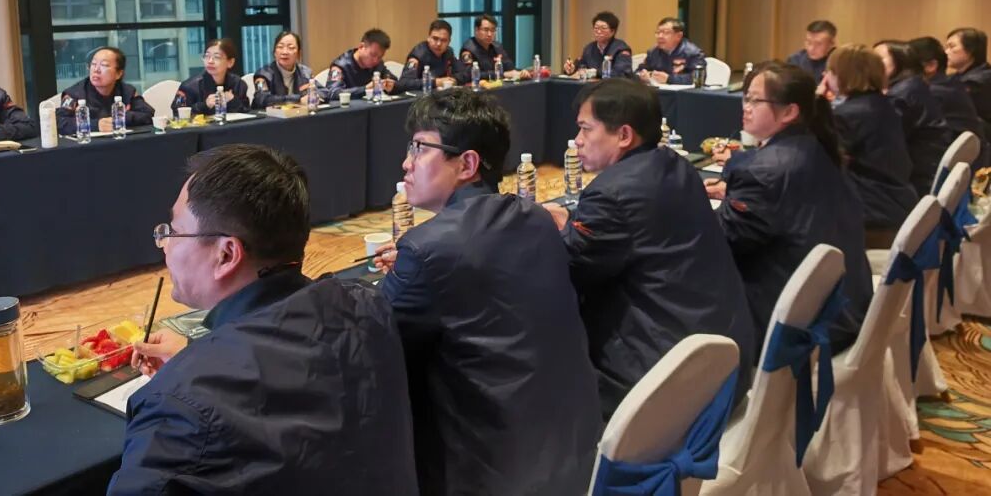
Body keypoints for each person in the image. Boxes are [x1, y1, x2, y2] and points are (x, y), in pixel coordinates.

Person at [109, 145, 418, 495]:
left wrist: (195, 371)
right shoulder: (366, 306)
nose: (165, 245)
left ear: (227, 254)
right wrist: (199, 357)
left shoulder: (178, 405)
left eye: (173, 231)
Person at [374, 89, 600, 496]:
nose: (406, 163)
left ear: (468, 164)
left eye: (420, 148)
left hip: (490, 469)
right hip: (572, 453)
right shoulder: (535, 217)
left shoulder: (427, 249)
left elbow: (377, 344)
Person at [544, 79, 756, 418]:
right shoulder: (675, 164)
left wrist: (550, 228)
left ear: (624, 135)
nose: (577, 140)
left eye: (586, 129)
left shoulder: (612, 193)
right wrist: (574, 223)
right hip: (727, 362)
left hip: (670, 385)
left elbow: (571, 269)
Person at [706, 62, 873, 356]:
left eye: (755, 100)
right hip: (842, 307)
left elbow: (721, 243)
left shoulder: (763, 171)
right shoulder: (815, 147)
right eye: (745, 98)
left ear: (789, 112)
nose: (746, 108)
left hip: (793, 324)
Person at [821, 45, 918, 247]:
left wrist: (817, 101)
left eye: (830, 71)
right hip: (897, 203)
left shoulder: (848, 115)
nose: (825, 76)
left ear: (843, 75)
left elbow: (820, 161)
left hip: (871, 217)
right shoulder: (885, 105)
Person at [873, 40, 953, 196]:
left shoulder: (902, 94)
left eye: (878, 59)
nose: (870, 64)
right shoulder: (913, 85)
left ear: (900, 61)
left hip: (915, 180)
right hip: (926, 170)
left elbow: (883, 141)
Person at [910, 35, 988, 165]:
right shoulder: (951, 82)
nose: (946, 52)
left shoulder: (935, 92)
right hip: (967, 160)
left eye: (952, 46)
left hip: (959, 162)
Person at [56, 47, 155, 135]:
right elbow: (59, 122)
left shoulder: (127, 91)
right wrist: (96, 125)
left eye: (104, 65)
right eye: (93, 64)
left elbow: (148, 115)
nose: (96, 70)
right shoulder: (73, 94)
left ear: (119, 74)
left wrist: (121, 118)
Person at [171, 37, 250, 116]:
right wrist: (204, 106)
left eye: (217, 57)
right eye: (207, 56)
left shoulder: (238, 84)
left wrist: (233, 101)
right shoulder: (189, 87)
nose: (210, 61)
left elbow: (248, 112)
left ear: (230, 62)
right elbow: (177, 114)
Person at [252, 30, 322, 108]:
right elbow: (262, 98)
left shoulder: (305, 73)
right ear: (275, 52)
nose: (285, 52)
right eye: (280, 47)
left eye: (291, 48)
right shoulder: (263, 74)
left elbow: (324, 91)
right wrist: (298, 99)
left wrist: (313, 95)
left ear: (298, 53)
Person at [324, 28, 401, 99]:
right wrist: (365, 89)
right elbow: (332, 93)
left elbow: (395, 82)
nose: (376, 60)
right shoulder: (340, 66)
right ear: (361, 47)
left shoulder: (378, 64)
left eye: (380, 57)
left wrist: (392, 86)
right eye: (373, 55)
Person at [945, 27, 991, 135]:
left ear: (970, 49)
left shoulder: (981, 79)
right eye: (946, 47)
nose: (946, 52)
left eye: (952, 47)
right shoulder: (954, 77)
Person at [397, 19, 466, 91]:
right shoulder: (417, 56)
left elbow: (463, 73)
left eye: (443, 40)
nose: (439, 44)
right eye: (435, 38)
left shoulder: (448, 52)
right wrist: (435, 82)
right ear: (428, 38)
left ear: (449, 41)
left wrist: (454, 80)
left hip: (442, 94)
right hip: (421, 96)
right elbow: (404, 83)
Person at [636, 17, 707, 85]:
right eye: (658, 32)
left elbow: (698, 77)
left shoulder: (693, 53)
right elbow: (638, 72)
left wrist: (669, 79)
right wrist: (642, 76)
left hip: (682, 92)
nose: (660, 36)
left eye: (666, 33)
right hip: (657, 91)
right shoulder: (653, 52)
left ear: (678, 36)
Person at [563, 11, 634, 78]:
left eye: (603, 28)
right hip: (593, 85)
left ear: (612, 31)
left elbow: (622, 73)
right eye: (596, 28)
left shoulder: (621, 49)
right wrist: (572, 69)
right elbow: (581, 66)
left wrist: (595, 73)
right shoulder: (589, 48)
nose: (599, 31)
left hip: (614, 86)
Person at [459, 14, 515, 80]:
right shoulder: (468, 50)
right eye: (486, 30)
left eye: (493, 30)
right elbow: (469, 75)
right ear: (476, 30)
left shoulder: (497, 46)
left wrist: (520, 73)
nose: (489, 34)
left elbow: (509, 67)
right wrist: (501, 74)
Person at [786, 20, 837, 85]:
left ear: (831, 44)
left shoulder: (839, 63)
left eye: (818, 44)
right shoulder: (795, 60)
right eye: (809, 42)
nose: (811, 48)